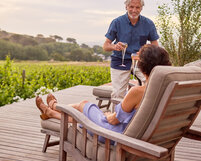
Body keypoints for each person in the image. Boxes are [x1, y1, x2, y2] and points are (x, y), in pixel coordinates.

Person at [36, 44, 171, 143]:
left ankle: (56, 107)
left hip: (116, 135)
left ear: (142, 66)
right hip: (139, 136)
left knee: (84, 105)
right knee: (87, 116)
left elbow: (113, 120)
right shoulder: (167, 91)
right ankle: (52, 112)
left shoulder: (138, 92)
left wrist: (107, 115)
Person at [103, 0, 159, 100]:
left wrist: (146, 51)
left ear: (142, 8)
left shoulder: (148, 24)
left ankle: (142, 113)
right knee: (118, 94)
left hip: (141, 61)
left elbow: (155, 45)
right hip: (120, 60)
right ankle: (117, 116)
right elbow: (105, 46)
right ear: (126, 6)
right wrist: (114, 46)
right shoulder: (117, 22)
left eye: (137, 7)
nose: (134, 10)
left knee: (152, 86)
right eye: (131, 7)